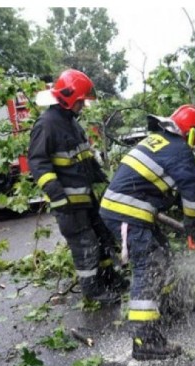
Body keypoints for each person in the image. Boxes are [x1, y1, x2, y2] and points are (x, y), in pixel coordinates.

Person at [99, 104, 195, 361]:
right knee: (148, 269)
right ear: (191, 134)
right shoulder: (180, 150)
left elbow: (151, 184)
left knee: (163, 257)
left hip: (124, 210)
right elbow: (191, 197)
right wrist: (194, 227)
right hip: (127, 213)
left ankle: (166, 309)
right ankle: (145, 340)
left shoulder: (158, 141)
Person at [29, 69, 127, 304]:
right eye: (81, 102)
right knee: (86, 245)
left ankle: (111, 279)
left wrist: (106, 182)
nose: (82, 106)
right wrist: (58, 196)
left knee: (103, 238)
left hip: (86, 200)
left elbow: (86, 159)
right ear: (69, 97)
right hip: (68, 204)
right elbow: (38, 163)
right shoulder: (47, 125)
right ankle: (92, 291)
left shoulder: (72, 124)